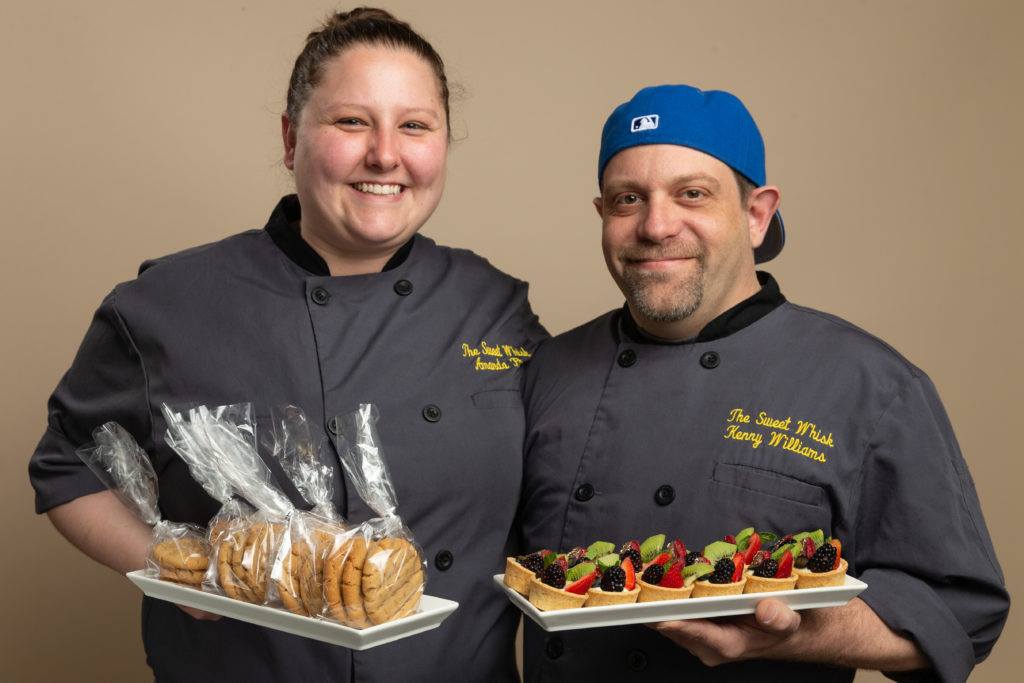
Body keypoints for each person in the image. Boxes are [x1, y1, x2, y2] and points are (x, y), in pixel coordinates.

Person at [29, 8, 545, 681]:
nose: (385, 154)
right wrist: (170, 569)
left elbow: (573, 480)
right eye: (351, 121)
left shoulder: (495, 305)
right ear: (290, 138)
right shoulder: (169, 303)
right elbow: (67, 467)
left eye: (415, 125)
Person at [517, 84, 1009, 681]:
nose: (656, 225)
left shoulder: (872, 385)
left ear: (757, 214)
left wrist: (806, 636)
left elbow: (960, 612)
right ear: (603, 215)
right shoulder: (547, 371)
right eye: (628, 199)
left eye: (692, 193)